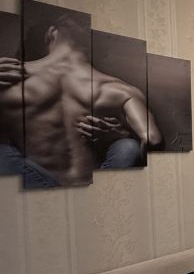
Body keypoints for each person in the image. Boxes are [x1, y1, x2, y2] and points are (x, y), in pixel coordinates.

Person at [0, 12, 161, 188]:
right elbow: (153, 140)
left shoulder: (9, 76)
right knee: (129, 144)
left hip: (35, 191)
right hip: (94, 187)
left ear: (51, 33)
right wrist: (121, 135)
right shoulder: (121, 89)